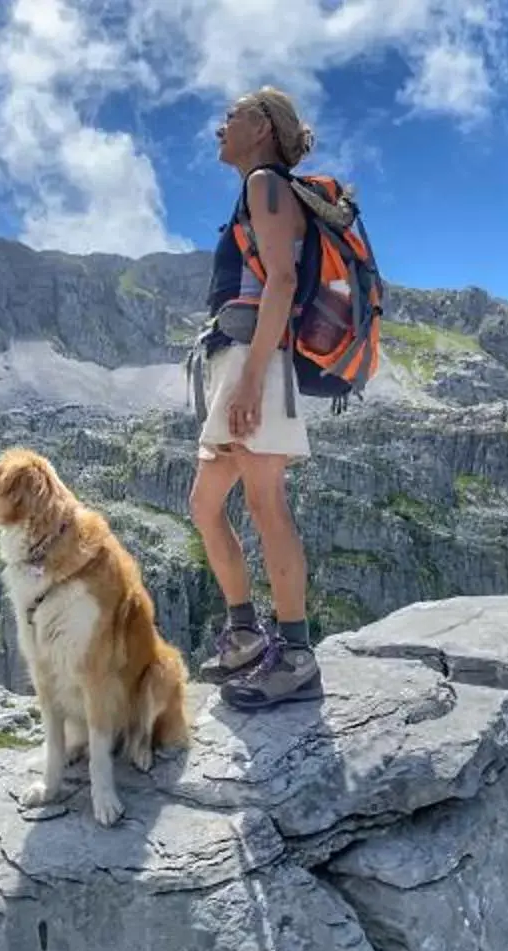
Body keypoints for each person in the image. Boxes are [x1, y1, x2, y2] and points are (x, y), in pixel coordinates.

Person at [189, 86, 324, 709]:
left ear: (264, 127)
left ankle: (295, 656)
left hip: (256, 361)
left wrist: (251, 379)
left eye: (232, 116)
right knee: (204, 502)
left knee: (266, 501)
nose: (221, 127)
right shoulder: (256, 187)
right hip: (238, 358)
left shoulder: (266, 184)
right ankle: (244, 634)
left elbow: (284, 280)